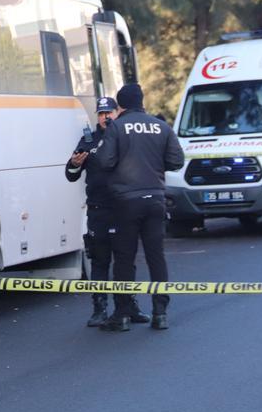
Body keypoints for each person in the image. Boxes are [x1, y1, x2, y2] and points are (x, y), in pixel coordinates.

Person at [95, 83, 185, 332]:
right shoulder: (160, 126)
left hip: (125, 201)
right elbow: (177, 161)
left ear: (120, 105)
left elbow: (105, 161)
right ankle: (160, 313)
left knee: (124, 258)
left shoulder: (116, 127)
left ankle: (122, 314)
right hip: (155, 199)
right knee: (157, 257)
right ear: (142, 101)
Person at [66, 96, 150, 327]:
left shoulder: (126, 135)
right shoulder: (88, 140)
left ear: (117, 113)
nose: (105, 117)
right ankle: (99, 308)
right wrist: (74, 163)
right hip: (99, 211)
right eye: (101, 113)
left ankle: (129, 305)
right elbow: (71, 174)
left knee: (126, 261)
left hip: (124, 210)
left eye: (109, 112)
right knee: (100, 260)